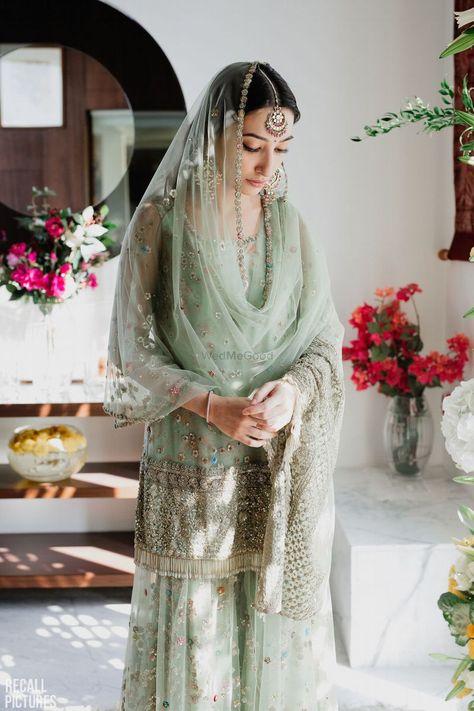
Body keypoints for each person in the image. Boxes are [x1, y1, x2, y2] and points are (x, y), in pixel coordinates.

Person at [103, 60, 345, 711]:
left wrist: (293, 390)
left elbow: (324, 341)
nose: (268, 166)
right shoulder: (162, 223)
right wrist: (213, 405)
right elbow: (133, 353)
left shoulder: (289, 228)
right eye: (251, 145)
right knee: (198, 632)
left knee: (260, 626)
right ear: (215, 131)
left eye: (282, 148)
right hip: (192, 467)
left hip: (271, 466)